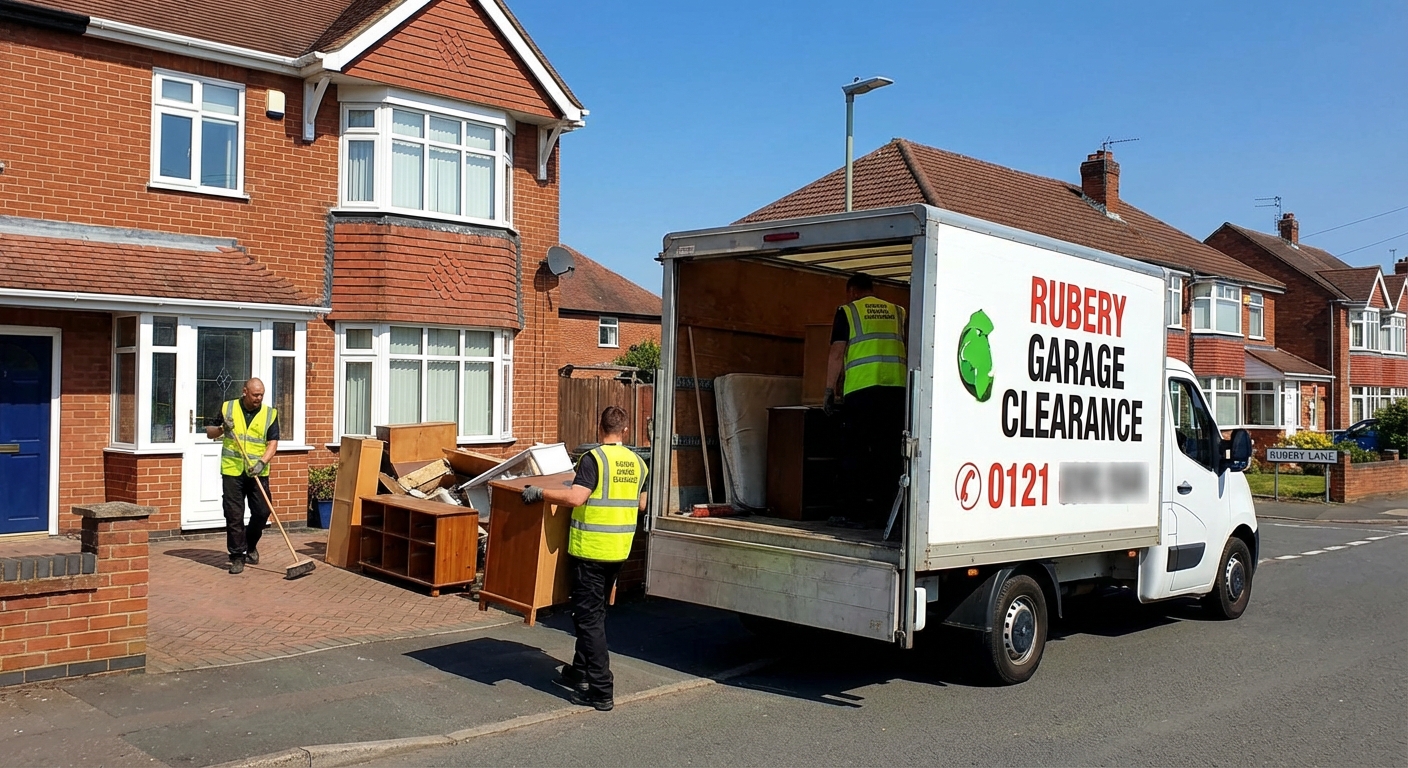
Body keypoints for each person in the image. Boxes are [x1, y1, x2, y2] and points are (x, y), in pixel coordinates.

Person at [521, 406, 647, 712]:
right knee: (595, 614)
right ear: (625, 430)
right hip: (618, 550)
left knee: (588, 619)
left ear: (598, 428)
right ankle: (580, 671)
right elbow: (642, 505)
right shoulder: (638, 463)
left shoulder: (593, 459)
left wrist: (540, 494)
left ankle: (601, 690)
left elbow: (577, 498)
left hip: (590, 549)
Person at [824, 274, 908, 528]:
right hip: (896, 390)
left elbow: (837, 352)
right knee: (889, 455)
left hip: (862, 391)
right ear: (872, 290)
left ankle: (852, 512)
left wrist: (829, 389)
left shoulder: (848, 311)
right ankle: (888, 514)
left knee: (855, 452)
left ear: (851, 291)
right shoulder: (898, 311)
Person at [205, 378, 279, 575]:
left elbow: (272, 443)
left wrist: (262, 462)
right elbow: (209, 433)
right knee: (234, 515)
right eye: (255, 394)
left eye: (262, 394)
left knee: (262, 512)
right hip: (232, 470)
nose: (259, 398)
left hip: (257, 471)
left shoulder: (269, 414)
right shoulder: (227, 408)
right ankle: (237, 556)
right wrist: (222, 429)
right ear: (245, 391)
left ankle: (250, 543)